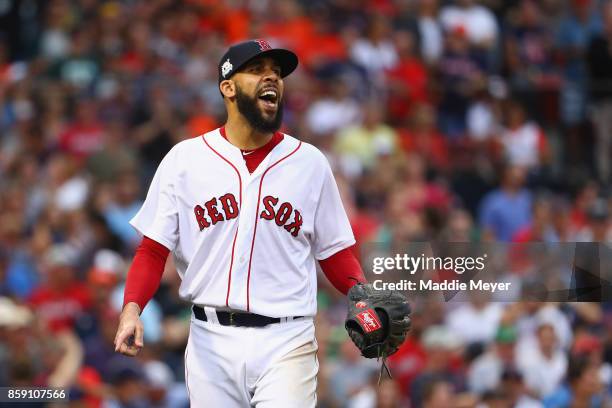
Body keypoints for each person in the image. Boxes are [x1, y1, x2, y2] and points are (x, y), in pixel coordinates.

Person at [113, 39, 385, 407]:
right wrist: (132, 308)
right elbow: (152, 249)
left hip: (287, 338)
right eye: (257, 70)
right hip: (209, 340)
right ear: (228, 87)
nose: (271, 77)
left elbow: (336, 253)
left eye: (276, 72)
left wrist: (362, 299)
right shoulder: (185, 160)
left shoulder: (310, 163)